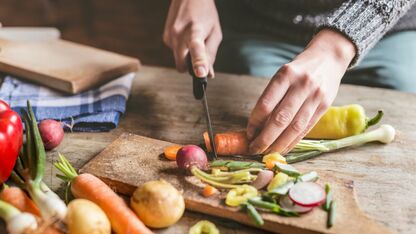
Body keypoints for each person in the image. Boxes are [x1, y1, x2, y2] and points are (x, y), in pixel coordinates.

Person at [163, 0, 416, 155]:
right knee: (260, 115)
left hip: (383, 29)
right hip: (258, 24)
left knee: (404, 97)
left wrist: (336, 48)